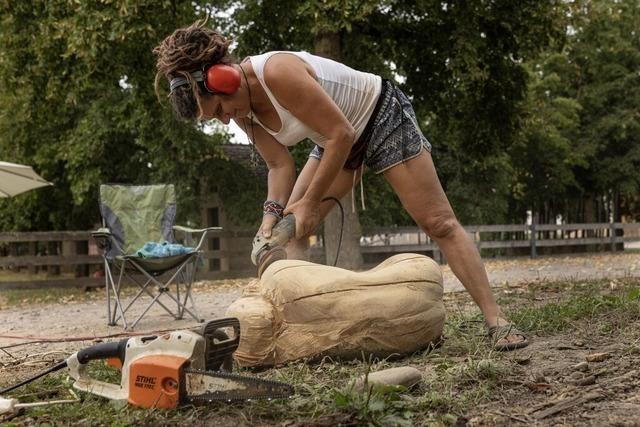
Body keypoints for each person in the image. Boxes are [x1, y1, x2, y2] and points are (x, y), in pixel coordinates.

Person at [154, 20, 528, 351]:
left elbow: (340, 133)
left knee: (438, 222)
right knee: (293, 232)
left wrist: (310, 202)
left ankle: (497, 321)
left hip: (380, 116)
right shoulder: (240, 111)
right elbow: (278, 163)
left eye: (218, 110)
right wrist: (270, 218)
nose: (222, 120)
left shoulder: (278, 72)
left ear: (224, 78)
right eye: (213, 118)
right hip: (335, 141)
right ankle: (301, 333)